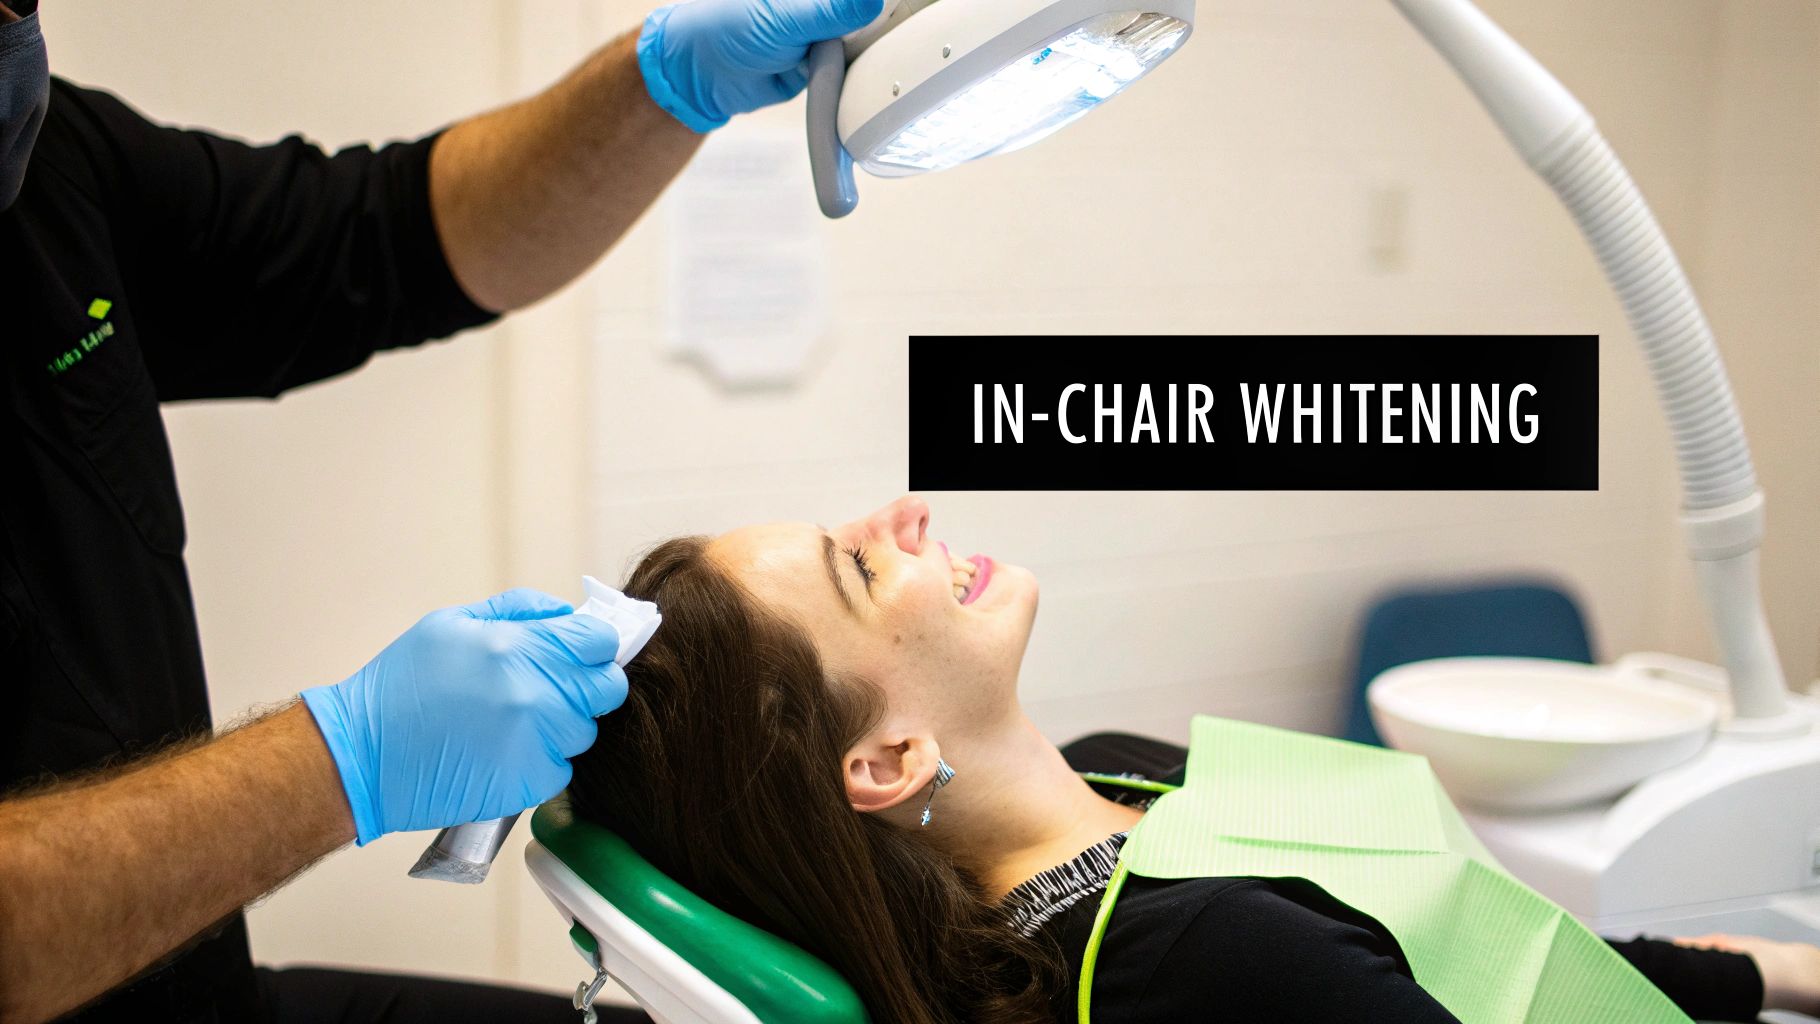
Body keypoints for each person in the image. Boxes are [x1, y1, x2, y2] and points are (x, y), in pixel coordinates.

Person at [0, 0, 883, 1018]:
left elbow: (389, 236)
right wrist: (345, 758)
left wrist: (663, 87)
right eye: (852, 570)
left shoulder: (47, 164)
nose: (902, 514)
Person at [567, 494, 1820, 1023]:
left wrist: (1778, 969)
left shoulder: (1122, 777)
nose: (905, 516)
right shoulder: (1202, 964)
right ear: (889, 758)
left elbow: (1488, 949)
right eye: (857, 567)